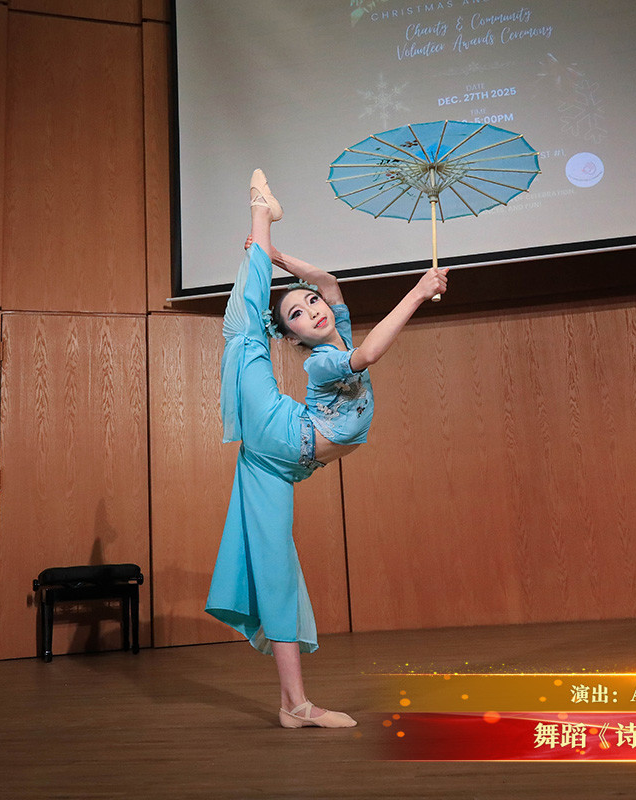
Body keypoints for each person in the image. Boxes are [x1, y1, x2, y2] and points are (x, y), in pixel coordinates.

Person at [205, 169, 447, 729]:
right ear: (293, 338)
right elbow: (368, 355)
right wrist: (417, 291)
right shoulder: (324, 361)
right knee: (244, 336)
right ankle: (259, 210)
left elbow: (330, 281)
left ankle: (293, 705)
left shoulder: (334, 319)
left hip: (278, 466)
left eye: (311, 303)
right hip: (280, 432)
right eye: (297, 315)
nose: (313, 310)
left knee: (275, 567)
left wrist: (280, 258)